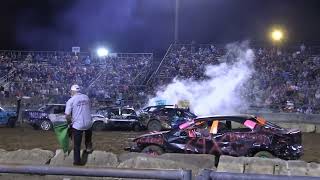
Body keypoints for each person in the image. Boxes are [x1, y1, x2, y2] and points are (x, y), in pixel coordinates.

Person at [65, 84, 93, 166]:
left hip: (78, 124)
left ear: (72, 91)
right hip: (88, 123)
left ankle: (77, 161)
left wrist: (69, 123)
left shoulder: (71, 100)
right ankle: (88, 146)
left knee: (77, 145)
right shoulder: (86, 97)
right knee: (88, 132)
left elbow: (67, 115)